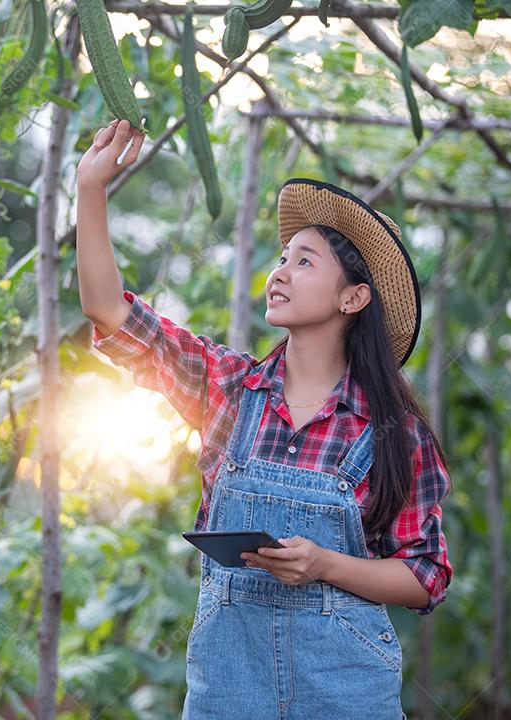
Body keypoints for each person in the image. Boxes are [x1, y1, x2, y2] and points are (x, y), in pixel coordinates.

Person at [76, 118, 453, 719]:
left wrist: (325, 565)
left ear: (353, 298)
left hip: (345, 693)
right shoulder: (226, 387)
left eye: (304, 263)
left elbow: (425, 574)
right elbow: (110, 313)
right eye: (282, 258)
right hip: (230, 689)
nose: (279, 272)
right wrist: (90, 190)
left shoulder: (393, 433)